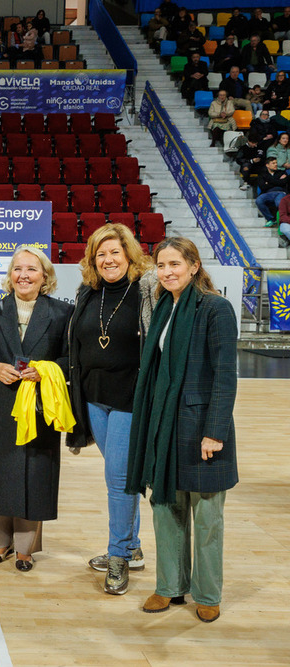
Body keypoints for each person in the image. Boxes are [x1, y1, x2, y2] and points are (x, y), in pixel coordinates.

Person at [127, 238, 238, 623]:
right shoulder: (163, 307)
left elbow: (225, 374)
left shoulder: (215, 308)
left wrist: (216, 431)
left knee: (207, 515)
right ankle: (169, 586)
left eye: (175, 263)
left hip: (200, 427)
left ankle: (207, 593)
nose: (167, 271)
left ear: (193, 266)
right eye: (161, 265)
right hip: (164, 424)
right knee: (166, 508)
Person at [67, 223, 155, 595]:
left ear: (129, 254)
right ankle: (131, 547)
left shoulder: (146, 291)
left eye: (115, 252)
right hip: (93, 398)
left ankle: (118, 555)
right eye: (101, 254)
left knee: (117, 480)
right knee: (120, 475)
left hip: (130, 398)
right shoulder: (88, 292)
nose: (108, 260)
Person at [0, 246, 71, 572]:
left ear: (45, 277)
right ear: (9, 275)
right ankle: (0, 542)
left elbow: (72, 361)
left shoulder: (61, 314)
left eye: (31, 269)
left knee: (35, 475)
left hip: (40, 406)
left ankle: (26, 547)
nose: (23, 275)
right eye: (18, 269)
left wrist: (47, 370)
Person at [255, 156, 288, 222]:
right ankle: (271, 219)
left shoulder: (282, 172)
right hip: (267, 193)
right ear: (267, 165)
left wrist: (268, 182)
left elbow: (284, 182)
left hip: (280, 192)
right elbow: (263, 186)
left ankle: (283, 220)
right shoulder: (262, 174)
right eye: (273, 163)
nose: (276, 164)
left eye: (276, 163)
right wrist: (278, 181)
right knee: (259, 200)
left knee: (279, 203)